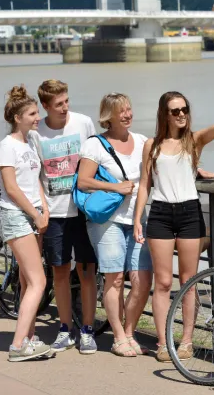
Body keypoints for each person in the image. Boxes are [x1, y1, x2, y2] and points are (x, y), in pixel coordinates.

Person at [134, 87, 214, 362]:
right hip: (160, 214)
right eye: (175, 111)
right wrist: (137, 219)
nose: (181, 115)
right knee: (164, 282)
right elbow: (145, 184)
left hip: (190, 212)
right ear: (164, 114)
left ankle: (186, 341)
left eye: (184, 110)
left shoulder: (194, 141)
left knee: (189, 282)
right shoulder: (151, 145)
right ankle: (163, 342)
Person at [77, 93, 152, 357]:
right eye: (121, 111)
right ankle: (118, 337)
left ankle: (130, 332)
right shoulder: (95, 145)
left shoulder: (142, 141)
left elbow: (160, 167)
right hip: (107, 222)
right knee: (115, 277)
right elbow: (83, 181)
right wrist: (115, 186)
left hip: (137, 221)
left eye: (129, 109)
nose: (127, 115)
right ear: (109, 115)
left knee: (143, 278)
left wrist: (196, 170)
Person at [29, 79, 99, 354]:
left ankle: (88, 330)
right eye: (58, 104)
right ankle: (64, 328)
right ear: (45, 106)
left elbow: (97, 158)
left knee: (87, 271)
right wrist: (42, 209)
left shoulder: (83, 123)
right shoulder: (37, 133)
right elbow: (34, 175)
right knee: (59, 271)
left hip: (83, 211)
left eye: (67, 101)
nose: (65, 107)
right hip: (54, 213)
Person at [0, 85, 52, 362]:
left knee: (28, 280)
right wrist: (34, 213)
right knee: (39, 281)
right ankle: (18, 346)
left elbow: (35, 180)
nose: (37, 117)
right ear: (18, 117)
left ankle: (29, 337)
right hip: (17, 215)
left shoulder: (30, 143)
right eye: (32, 113)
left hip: (32, 215)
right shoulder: (7, 146)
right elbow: (12, 188)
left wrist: (44, 209)